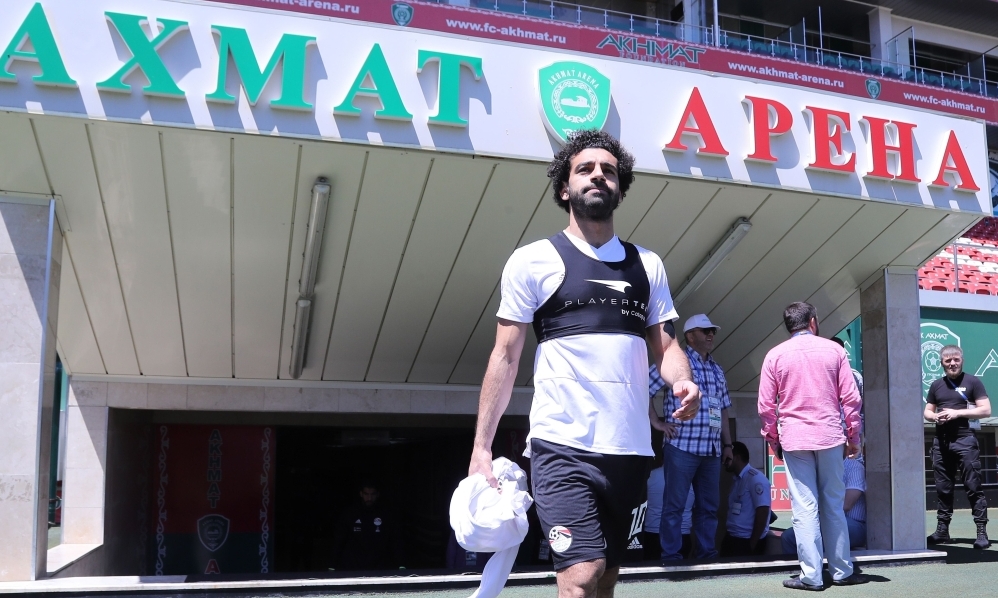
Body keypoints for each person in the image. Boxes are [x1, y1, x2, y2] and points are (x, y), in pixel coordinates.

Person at [468, 129, 701, 598]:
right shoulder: (532, 261)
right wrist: (481, 447)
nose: (598, 175)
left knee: (606, 580)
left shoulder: (646, 265)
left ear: (620, 186)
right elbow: (505, 356)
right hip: (562, 445)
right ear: (564, 187)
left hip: (631, 450)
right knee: (581, 575)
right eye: (585, 169)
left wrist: (684, 381)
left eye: (609, 170)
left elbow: (668, 347)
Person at [758, 302, 866, 590]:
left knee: (804, 508)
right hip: (830, 435)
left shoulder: (774, 355)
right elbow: (851, 399)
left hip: (794, 438)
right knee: (833, 504)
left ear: (788, 326)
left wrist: (773, 439)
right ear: (813, 322)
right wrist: (853, 436)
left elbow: (766, 407)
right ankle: (842, 571)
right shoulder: (835, 351)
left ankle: (812, 576)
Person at [649, 314, 732, 561]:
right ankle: (671, 556)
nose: (710, 335)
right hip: (681, 447)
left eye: (713, 331)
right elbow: (643, 389)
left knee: (709, 508)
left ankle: (706, 554)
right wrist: (657, 423)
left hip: (712, 451)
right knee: (674, 506)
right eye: (704, 330)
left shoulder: (717, 370)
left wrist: (727, 445)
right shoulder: (676, 363)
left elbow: (724, 410)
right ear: (689, 336)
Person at [924, 344, 991, 549]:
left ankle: (981, 531)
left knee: (973, 486)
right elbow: (927, 411)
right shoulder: (936, 385)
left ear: (961, 360)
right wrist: (934, 416)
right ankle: (942, 531)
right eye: (948, 360)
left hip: (965, 441)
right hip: (941, 442)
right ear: (942, 363)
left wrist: (957, 413)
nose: (952, 363)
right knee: (943, 489)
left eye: (956, 360)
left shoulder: (973, 382)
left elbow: (986, 410)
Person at [781, 450, 867, 555]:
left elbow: (846, 505)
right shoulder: (821, 467)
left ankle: (827, 569)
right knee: (788, 536)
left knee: (826, 533)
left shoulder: (854, 467)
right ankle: (803, 569)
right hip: (825, 518)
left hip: (854, 524)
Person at [330, 480, 404, 571]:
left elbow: (395, 540)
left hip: (379, 567)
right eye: (366, 494)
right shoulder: (350, 514)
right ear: (361, 494)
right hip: (354, 566)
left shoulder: (386, 515)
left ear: (377, 494)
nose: (369, 498)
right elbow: (340, 539)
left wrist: (401, 563)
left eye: (372, 494)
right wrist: (332, 564)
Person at [720, 442, 771, 557]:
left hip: (745, 541)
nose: (724, 462)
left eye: (727, 458)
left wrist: (752, 544)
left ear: (737, 457)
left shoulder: (756, 478)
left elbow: (763, 511)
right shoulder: (737, 480)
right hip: (732, 539)